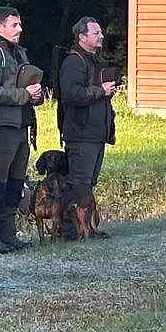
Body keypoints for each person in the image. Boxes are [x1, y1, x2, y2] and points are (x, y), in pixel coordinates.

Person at [0, 5, 42, 254]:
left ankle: (8, 235)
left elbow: (25, 85)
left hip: (20, 125)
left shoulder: (18, 53)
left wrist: (35, 96)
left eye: (19, 24)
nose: (20, 29)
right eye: (14, 25)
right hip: (0, 127)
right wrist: (24, 94)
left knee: (15, 184)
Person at [57, 16, 117, 228]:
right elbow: (71, 94)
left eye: (100, 32)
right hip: (81, 134)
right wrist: (101, 91)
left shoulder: (94, 60)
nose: (101, 36)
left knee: (88, 183)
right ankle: (71, 230)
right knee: (79, 185)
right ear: (82, 37)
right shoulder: (74, 62)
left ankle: (86, 229)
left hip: (96, 134)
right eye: (96, 33)